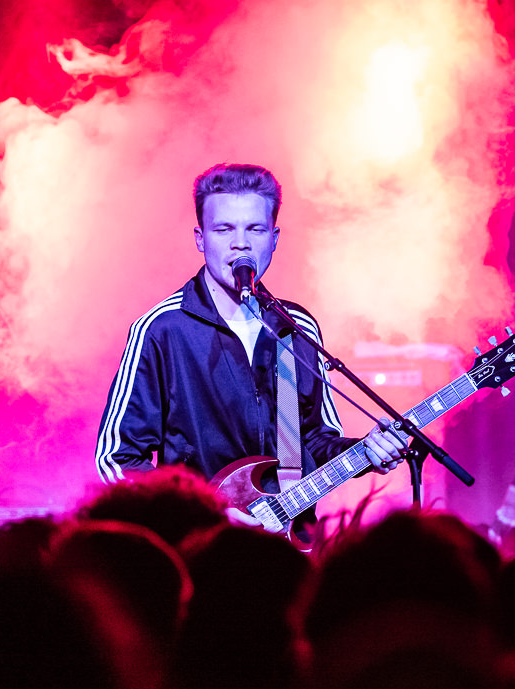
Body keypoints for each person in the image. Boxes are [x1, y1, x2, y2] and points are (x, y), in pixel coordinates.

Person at [95, 163, 407, 541]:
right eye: (224, 228)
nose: (239, 243)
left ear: (274, 239)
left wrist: (366, 453)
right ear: (200, 238)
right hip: (200, 549)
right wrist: (203, 514)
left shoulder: (295, 328)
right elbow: (116, 459)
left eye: (255, 229)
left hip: (289, 551)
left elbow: (313, 441)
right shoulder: (162, 330)